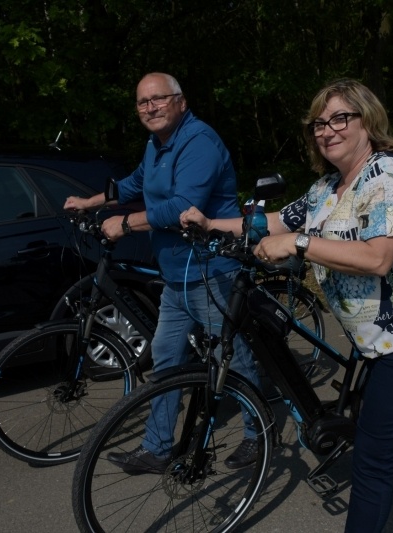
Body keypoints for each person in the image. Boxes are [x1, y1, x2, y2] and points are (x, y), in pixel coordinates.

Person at [182, 78, 393, 533]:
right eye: (319, 123)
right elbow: (278, 219)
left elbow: (379, 257)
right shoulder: (329, 187)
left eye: (341, 118)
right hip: (380, 339)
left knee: (373, 456)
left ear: (368, 121)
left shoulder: (391, 177)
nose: (327, 130)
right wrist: (213, 223)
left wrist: (298, 244)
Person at [63, 72, 261, 472]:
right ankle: (157, 447)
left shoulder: (198, 142)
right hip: (177, 275)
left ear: (180, 102)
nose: (149, 107)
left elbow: (182, 206)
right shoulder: (157, 143)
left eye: (158, 99)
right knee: (167, 358)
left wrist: (125, 223)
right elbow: (135, 183)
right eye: (141, 102)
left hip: (211, 272)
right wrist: (92, 202)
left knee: (233, 358)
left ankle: (259, 434)